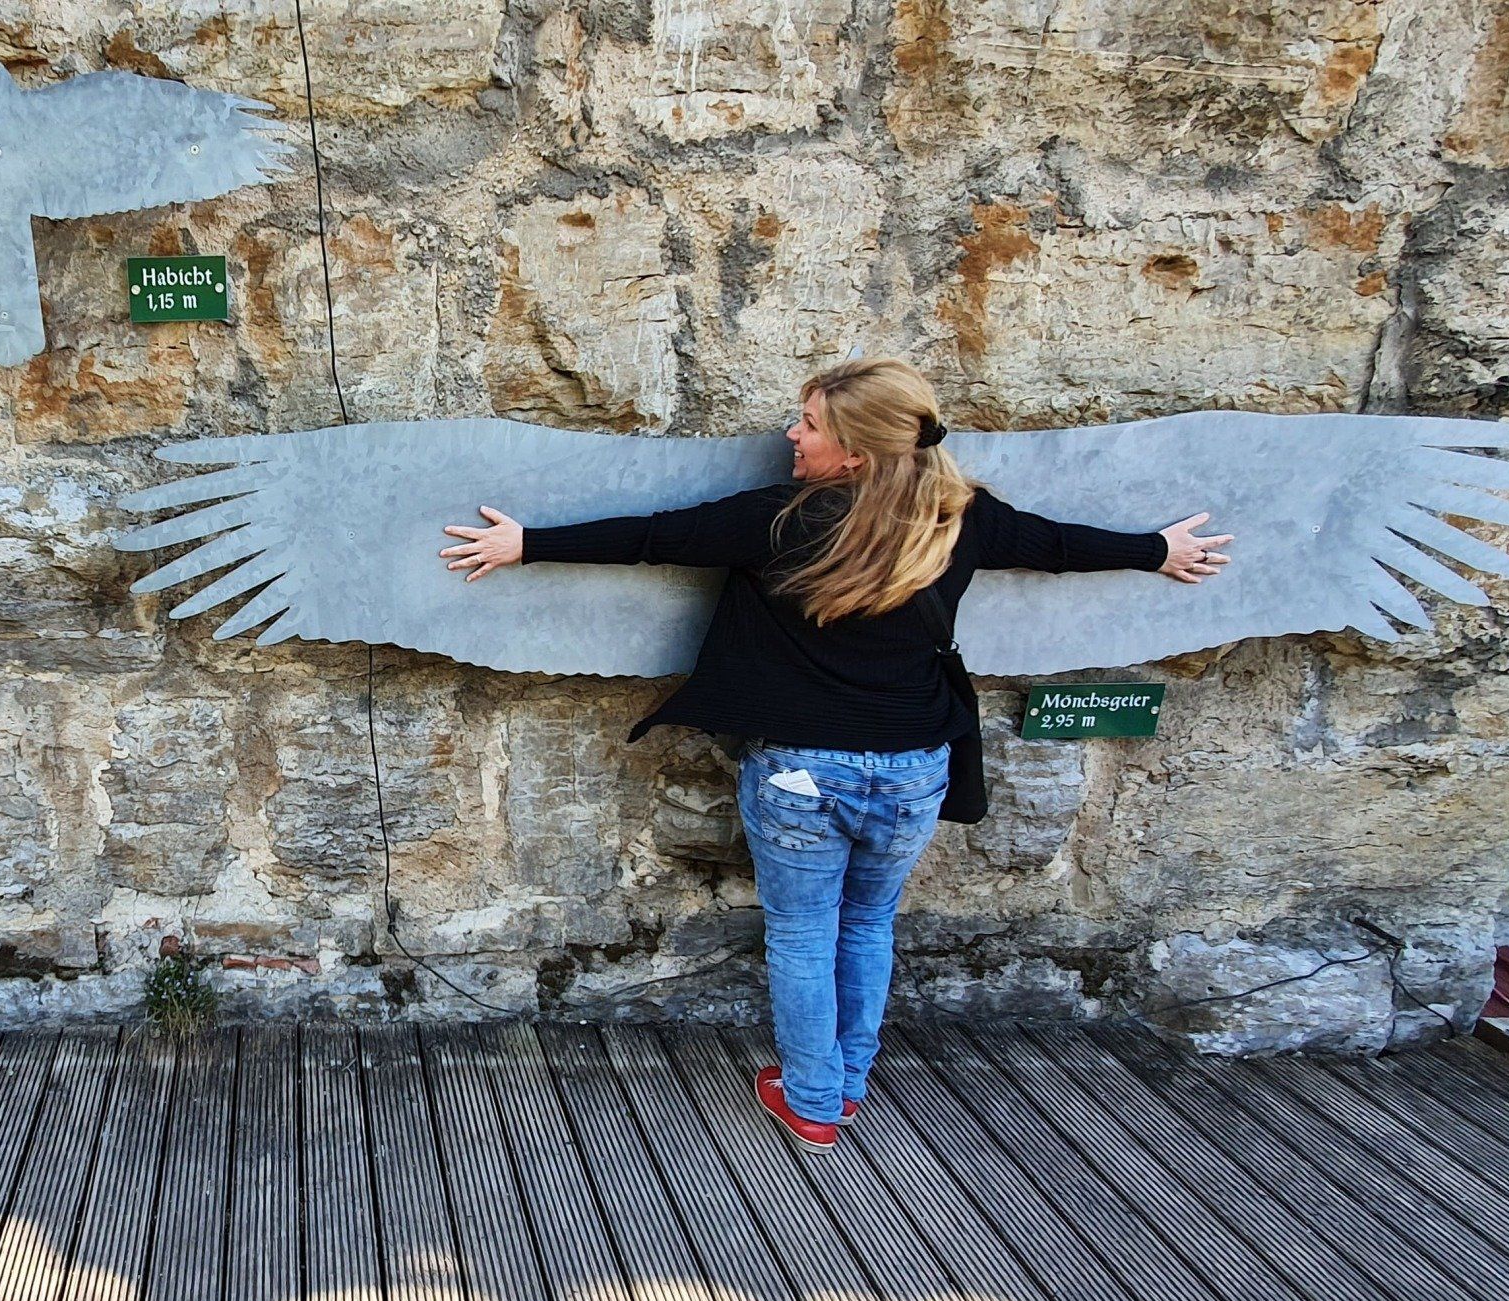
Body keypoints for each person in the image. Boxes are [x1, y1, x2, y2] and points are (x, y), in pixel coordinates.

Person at [439, 357, 1232, 1152]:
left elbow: (653, 536)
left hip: (801, 776)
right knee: (869, 925)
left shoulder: (780, 519)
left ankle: (814, 1101)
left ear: (855, 452)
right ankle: (845, 1084)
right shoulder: (960, 517)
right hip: (916, 770)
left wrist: (524, 544)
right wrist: (1155, 550)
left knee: (803, 935)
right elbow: (1057, 545)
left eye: (810, 424)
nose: (793, 433)